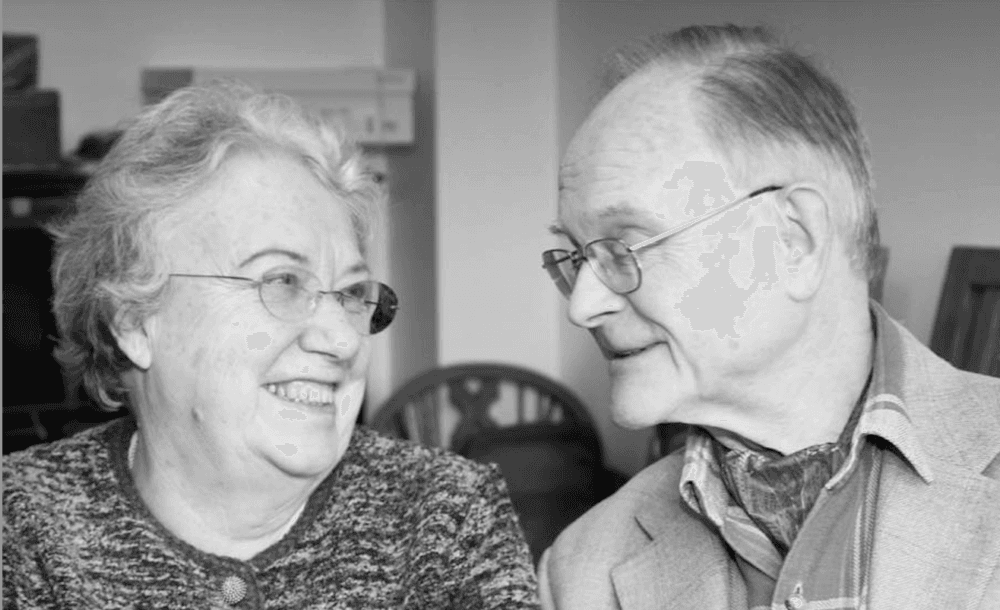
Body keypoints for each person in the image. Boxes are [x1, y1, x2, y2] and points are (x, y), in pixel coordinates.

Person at [3, 82, 539, 609]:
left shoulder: (446, 514)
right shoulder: (22, 525)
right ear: (135, 322)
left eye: (351, 292)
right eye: (282, 281)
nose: (342, 337)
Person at [538, 24, 1000, 610]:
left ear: (794, 240)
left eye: (624, 246)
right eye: (576, 256)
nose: (583, 304)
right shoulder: (581, 572)